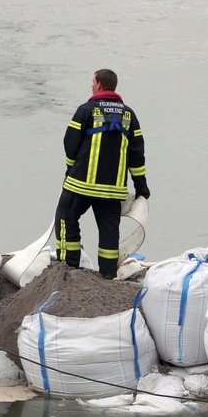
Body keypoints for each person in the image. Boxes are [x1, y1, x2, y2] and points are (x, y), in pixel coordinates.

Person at [54, 69, 150, 279]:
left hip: (81, 184)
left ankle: (68, 269)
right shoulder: (129, 114)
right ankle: (107, 275)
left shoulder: (86, 110)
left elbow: (70, 143)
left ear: (98, 84)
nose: (91, 85)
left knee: (66, 218)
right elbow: (137, 155)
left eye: (92, 81)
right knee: (109, 231)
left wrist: (70, 169)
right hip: (112, 189)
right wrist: (141, 186)